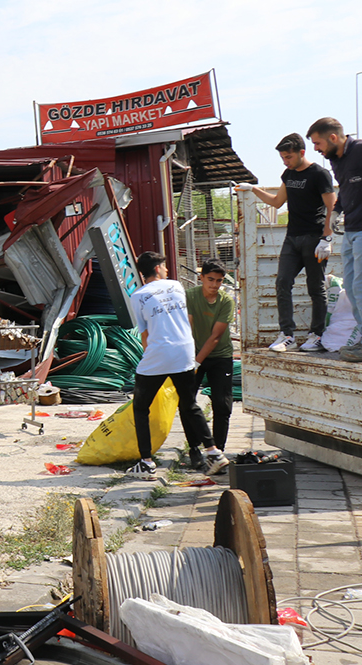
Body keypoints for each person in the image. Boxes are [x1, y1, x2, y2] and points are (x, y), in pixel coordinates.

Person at [129, 252, 227, 477]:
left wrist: (150, 359)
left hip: (159, 353)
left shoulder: (138, 296)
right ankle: (213, 452)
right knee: (190, 404)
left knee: (141, 408)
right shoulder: (176, 286)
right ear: (157, 269)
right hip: (184, 352)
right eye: (163, 266)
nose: (166, 269)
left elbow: (145, 333)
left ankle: (145, 462)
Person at [236, 133, 335, 352]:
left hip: (314, 238)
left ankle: (317, 335)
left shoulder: (320, 174)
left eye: (288, 157)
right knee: (282, 282)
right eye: (283, 158)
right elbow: (277, 201)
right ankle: (287, 335)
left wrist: (327, 238)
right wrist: (252, 189)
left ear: (302, 153)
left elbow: (332, 207)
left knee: (315, 287)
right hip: (292, 238)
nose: (285, 161)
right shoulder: (288, 174)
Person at [308, 117, 362, 361]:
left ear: (333, 138)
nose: (316, 149)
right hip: (350, 231)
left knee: (360, 287)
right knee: (351, 288)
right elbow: (345, 191)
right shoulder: (336, 161)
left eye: (317, 143)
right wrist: (337, 212)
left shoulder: (359, 151)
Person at [187, 260, 235, 469]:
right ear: (201, 278)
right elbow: (187, 328)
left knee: (222, 405)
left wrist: (198, 362)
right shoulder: (190, 296)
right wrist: (192, 359)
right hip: (193, 354)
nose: (215, 285)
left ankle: (218, 451)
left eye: (219, 281)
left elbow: (216, 336)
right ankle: (194, 449)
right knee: (187, 402)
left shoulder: (226, 301)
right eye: (210, 280)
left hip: (220, 356)